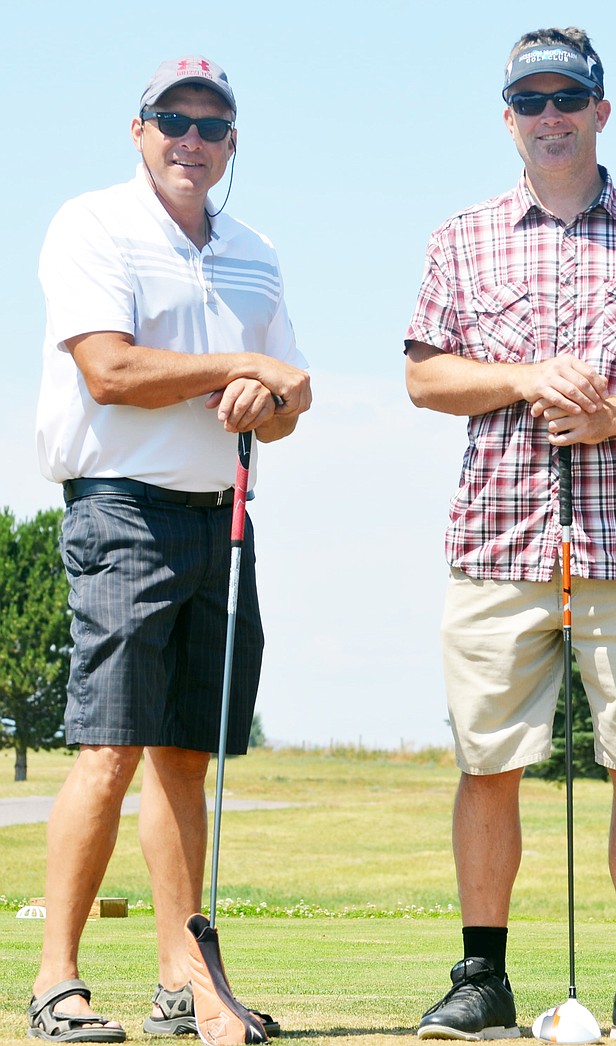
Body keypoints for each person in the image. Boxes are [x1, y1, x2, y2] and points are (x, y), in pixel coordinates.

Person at [404, 26, 616, 1042]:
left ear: (601, 109)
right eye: (531, 101)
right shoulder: (460, 235)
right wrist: (524, 379)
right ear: (509, 117)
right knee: (488, 760)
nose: (551, 117)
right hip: (500, 539)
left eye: (567, 99)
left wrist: (615, 414)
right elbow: (424, 374)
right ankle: (482, 977)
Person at [28, 55, 311, 1043]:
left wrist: (264, 396)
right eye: (172, 119)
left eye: (212, 123)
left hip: (222, 517)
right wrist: (241, 365)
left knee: (188, 760)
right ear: (139, 129)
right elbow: (107, 369)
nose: (191, 138)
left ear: (231, 141)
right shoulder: (93, 224)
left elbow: (292, 397)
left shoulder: (255, 250)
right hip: (119, 513)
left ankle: (183, 979)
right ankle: (57, 979)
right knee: (108, 748)